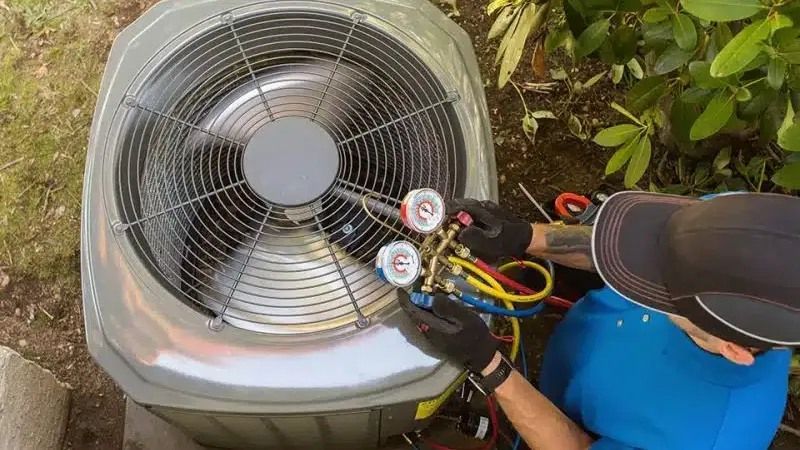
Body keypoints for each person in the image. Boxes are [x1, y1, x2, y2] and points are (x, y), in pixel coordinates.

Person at [399, 191, 799, 450]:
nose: (641, 269)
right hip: (581, 334)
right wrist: (524, 237)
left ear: (731, 348)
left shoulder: (706, 438)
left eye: (657, 285)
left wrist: (487, 363)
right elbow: (623, 247)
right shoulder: (737, 224)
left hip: (570, 414)